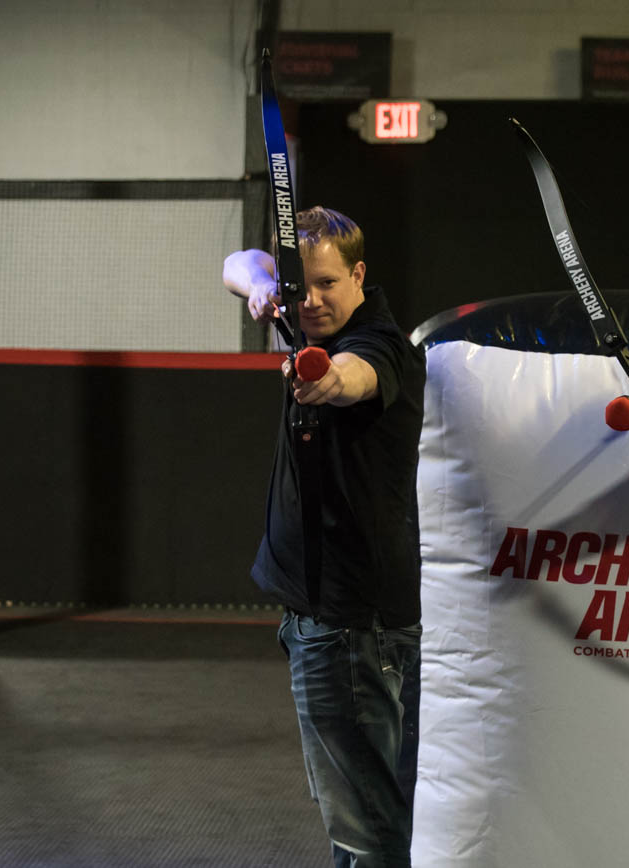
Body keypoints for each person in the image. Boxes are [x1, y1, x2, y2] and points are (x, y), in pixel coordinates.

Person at [223, 206, 425, 867]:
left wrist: (324, 379)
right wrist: (259, 286)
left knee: (368, 827)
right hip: (333, 616)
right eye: (298, 288)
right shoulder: (299, 308)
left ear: (359, 274)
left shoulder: (379, 343)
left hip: (349, 627)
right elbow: (238, 264)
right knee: (366, 813)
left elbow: (354, 379)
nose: (310, 302)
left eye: (327, 285)